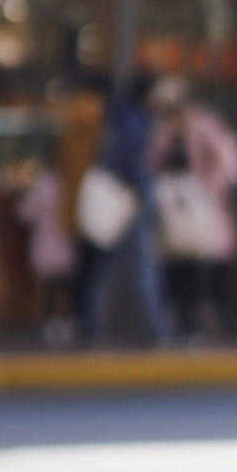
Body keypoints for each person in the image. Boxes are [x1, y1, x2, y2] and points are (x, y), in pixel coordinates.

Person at [73, 68, 174, 347]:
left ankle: (93, 325)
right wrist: (139, 192)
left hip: (117, 198)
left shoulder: (120, 115)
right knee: (139, 266)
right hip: (127, 200)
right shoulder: (133, 118)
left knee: (103, 264)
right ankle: (152, 330)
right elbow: (130, 160)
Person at [148, 74, 237, 341]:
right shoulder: (164, 132)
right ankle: (186, 321)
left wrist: (217, 187)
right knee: (180, 264)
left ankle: (216, 321)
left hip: (205, 204)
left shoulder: (203, 124)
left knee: (212, 263)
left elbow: (228, 157)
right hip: (174, 209)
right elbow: (154, 163)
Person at [14, 133, 76, 347]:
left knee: (47, 290)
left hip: (44, 244)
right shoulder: (67, 184)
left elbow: (23, 213)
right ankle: (64, 325)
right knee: (63, 289)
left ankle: (49, 327)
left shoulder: (40, 185)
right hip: (64, 244)